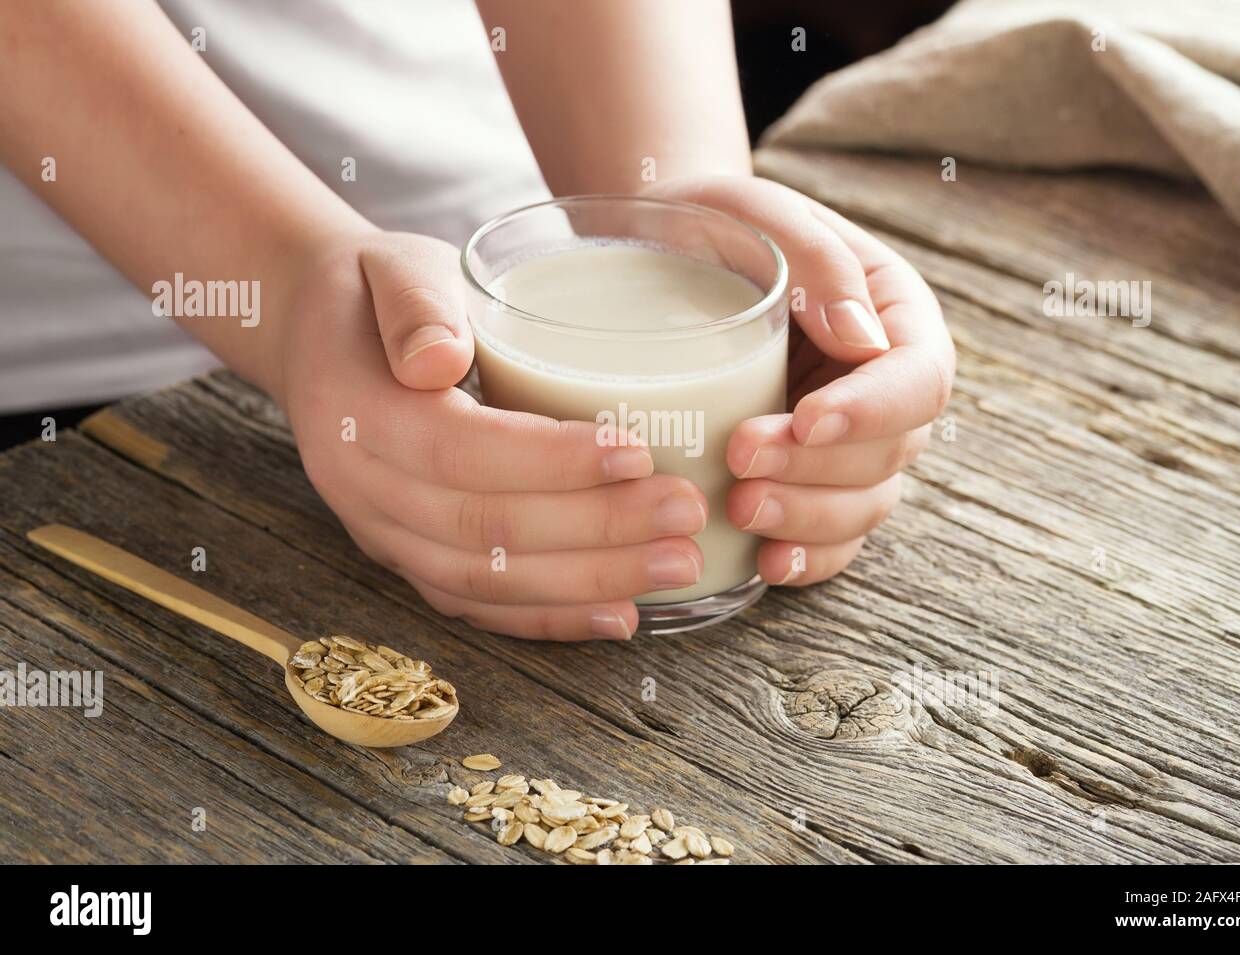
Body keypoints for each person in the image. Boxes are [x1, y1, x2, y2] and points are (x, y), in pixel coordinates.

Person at [0, 0, 954, 641]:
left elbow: (665, 211)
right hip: (71, 378)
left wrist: (677, 197)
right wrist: (287, 287)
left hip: (507, 209)